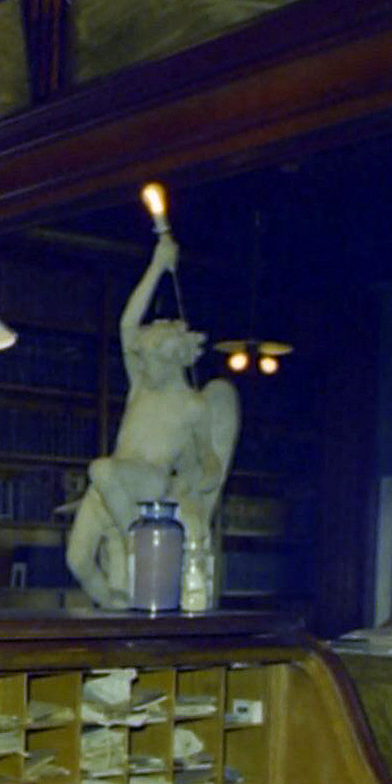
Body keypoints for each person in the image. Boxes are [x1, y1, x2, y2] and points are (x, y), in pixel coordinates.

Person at [66, 228, 239, 607]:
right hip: (112, 487)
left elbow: (208, 458)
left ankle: (138, 544)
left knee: (101, 469)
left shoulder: (192, 406)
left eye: (150, 361)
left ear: (174, 359)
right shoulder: (141, 387)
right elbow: (127, 325)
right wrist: (157, 265)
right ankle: (116, 605)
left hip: (149, 484)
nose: (142, 367)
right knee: (77, 562)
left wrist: (200, 478)